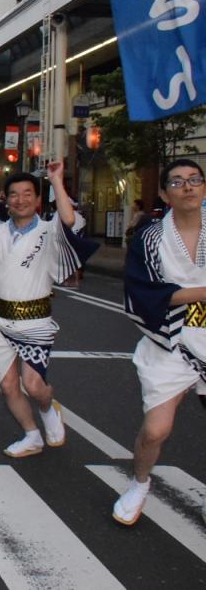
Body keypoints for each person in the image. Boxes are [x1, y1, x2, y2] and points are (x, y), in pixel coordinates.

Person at [0, 162, 97, 457]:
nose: (20, 199)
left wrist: (57, 181)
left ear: (38, 200)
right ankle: (31, 435)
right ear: (6, 199)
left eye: (27, 194)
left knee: (34, 385)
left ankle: (49, 410)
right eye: (14, 194)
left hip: (35, 320)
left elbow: (70, 221)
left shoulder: (51, 232)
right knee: (8, 386)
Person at [115, 159, 206, 525]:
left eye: (195, 179)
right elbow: (144, 294)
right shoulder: (150, 238)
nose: (188, 186)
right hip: (171, 338)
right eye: (178, 181)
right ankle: (139, 482)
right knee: (156, 430)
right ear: (165, 194)